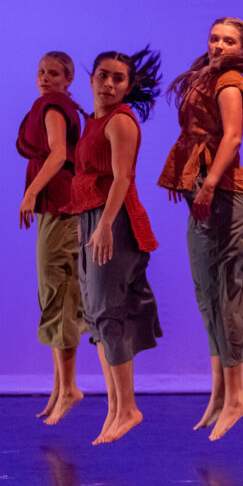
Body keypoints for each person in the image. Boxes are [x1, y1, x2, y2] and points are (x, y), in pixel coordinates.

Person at [159, 17, 243, 441]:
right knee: (207, 293)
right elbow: (194, 136)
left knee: (227, 292)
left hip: (225, 194)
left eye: (229, 40)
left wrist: (205, 185)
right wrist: (186, 179)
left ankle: (238, 394)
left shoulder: (229, 83)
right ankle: (220, 392)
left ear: (242, 47)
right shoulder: (205, 76)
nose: (219, 45)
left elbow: (232, 138)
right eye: (214, 38)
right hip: (203, 193)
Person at [69, 48, 163, 445]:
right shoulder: (94, 121)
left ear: (128, 86)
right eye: (103, 76)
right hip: (92, 220)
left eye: (118, 79)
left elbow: (123, 178)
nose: (108, 84)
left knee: (109, 312)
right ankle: (114, 406)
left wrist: (105, 225)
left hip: (116, 220)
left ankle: (128, 407)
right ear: (91, 79)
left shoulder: (122, 121)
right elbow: (88, 178)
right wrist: (83, 224)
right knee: (94, 316)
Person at [16, 51, 87, 425]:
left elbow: (59, 154)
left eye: (54, 73)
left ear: (67, 80)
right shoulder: (49, 103)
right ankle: (59, 387)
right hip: (56, 208)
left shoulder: (56, 105)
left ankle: (70, 387)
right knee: (52, 291)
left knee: (59, 291)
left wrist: (31, 193)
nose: (45, 78)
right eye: (41, 71)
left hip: (61, 207)